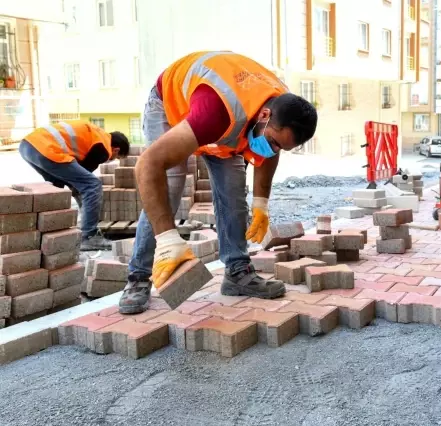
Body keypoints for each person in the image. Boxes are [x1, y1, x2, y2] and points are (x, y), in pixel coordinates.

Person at [118, 51, 318, 314]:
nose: (272, 149)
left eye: (280, 147)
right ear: (265, 115)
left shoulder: (281, 112)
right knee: (170, 184)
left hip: (229, 115)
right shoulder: (216, 113)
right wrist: (168, 239)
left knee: (233, 193)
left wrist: (261, 204)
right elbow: (147, 165)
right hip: (169, 105)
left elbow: (271, 150)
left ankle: (237, 272)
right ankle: (138, 277)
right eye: (272, 141)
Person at [19, 120, 130, 251]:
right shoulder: (104, 147)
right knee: (93, 185)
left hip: (28, 146)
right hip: (47, 149)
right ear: (116, 149)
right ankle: (89, 236)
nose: (112, 159)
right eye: (116, 157)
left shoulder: (96, 135)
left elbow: (75, 181)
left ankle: (48, 232)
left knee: (57, 188)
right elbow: (84, 182)